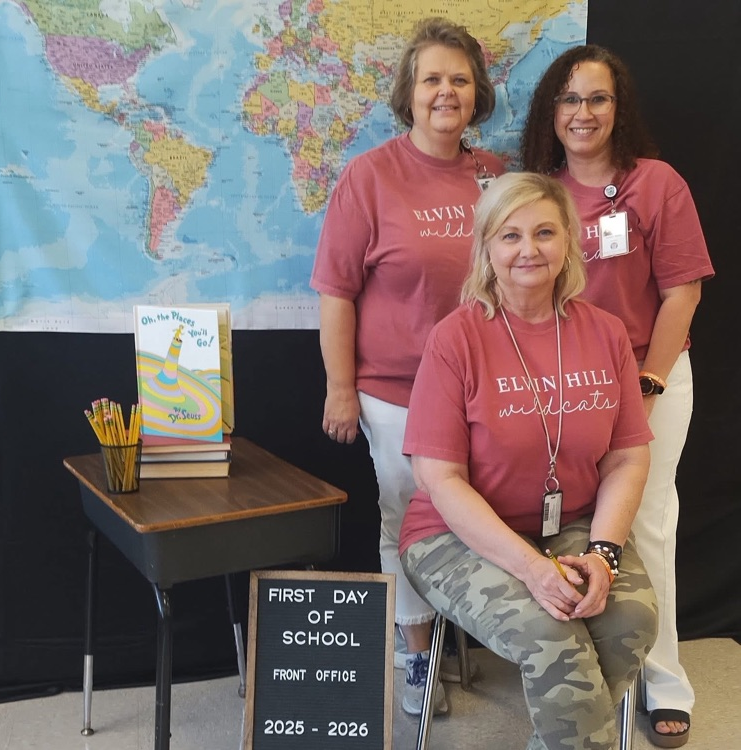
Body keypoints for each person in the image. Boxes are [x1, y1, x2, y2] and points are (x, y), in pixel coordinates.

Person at [400, 171, 658, 749]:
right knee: (554, 638)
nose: (529, 249)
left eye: (545, 232)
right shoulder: (456, 339)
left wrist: (603, 553)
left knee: (630, 625)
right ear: (486, 248)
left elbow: (625, 459)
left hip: (573, 525)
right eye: (510, 236)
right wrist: (533, 569)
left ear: (568, 240)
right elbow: (439, 480)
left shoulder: (606, 333)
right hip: (455, 537)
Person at [521, 44, 714, 748]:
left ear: (618, 108)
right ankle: (589, 666)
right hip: (566, 382)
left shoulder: (657, 183)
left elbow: (682, 291)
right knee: (573, 524)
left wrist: (650, 383)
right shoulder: (538, 191)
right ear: (551, 111)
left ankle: (663, 681)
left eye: (597, 98)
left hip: (651, 374)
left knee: (648, 524)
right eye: (568, 99)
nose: (582, 113)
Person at [310, 17, 504, 715]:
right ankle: (416, 651)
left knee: (480, 516)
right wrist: (340, 389)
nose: (445, 92)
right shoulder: (371, 176)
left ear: (477, 92)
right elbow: (336, 291)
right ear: (409, 92)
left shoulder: (497, 174)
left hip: (485, 390)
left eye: (459, 79)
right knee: (410, 519)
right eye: (431, 79)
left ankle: (485, 637)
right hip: (395, 392)